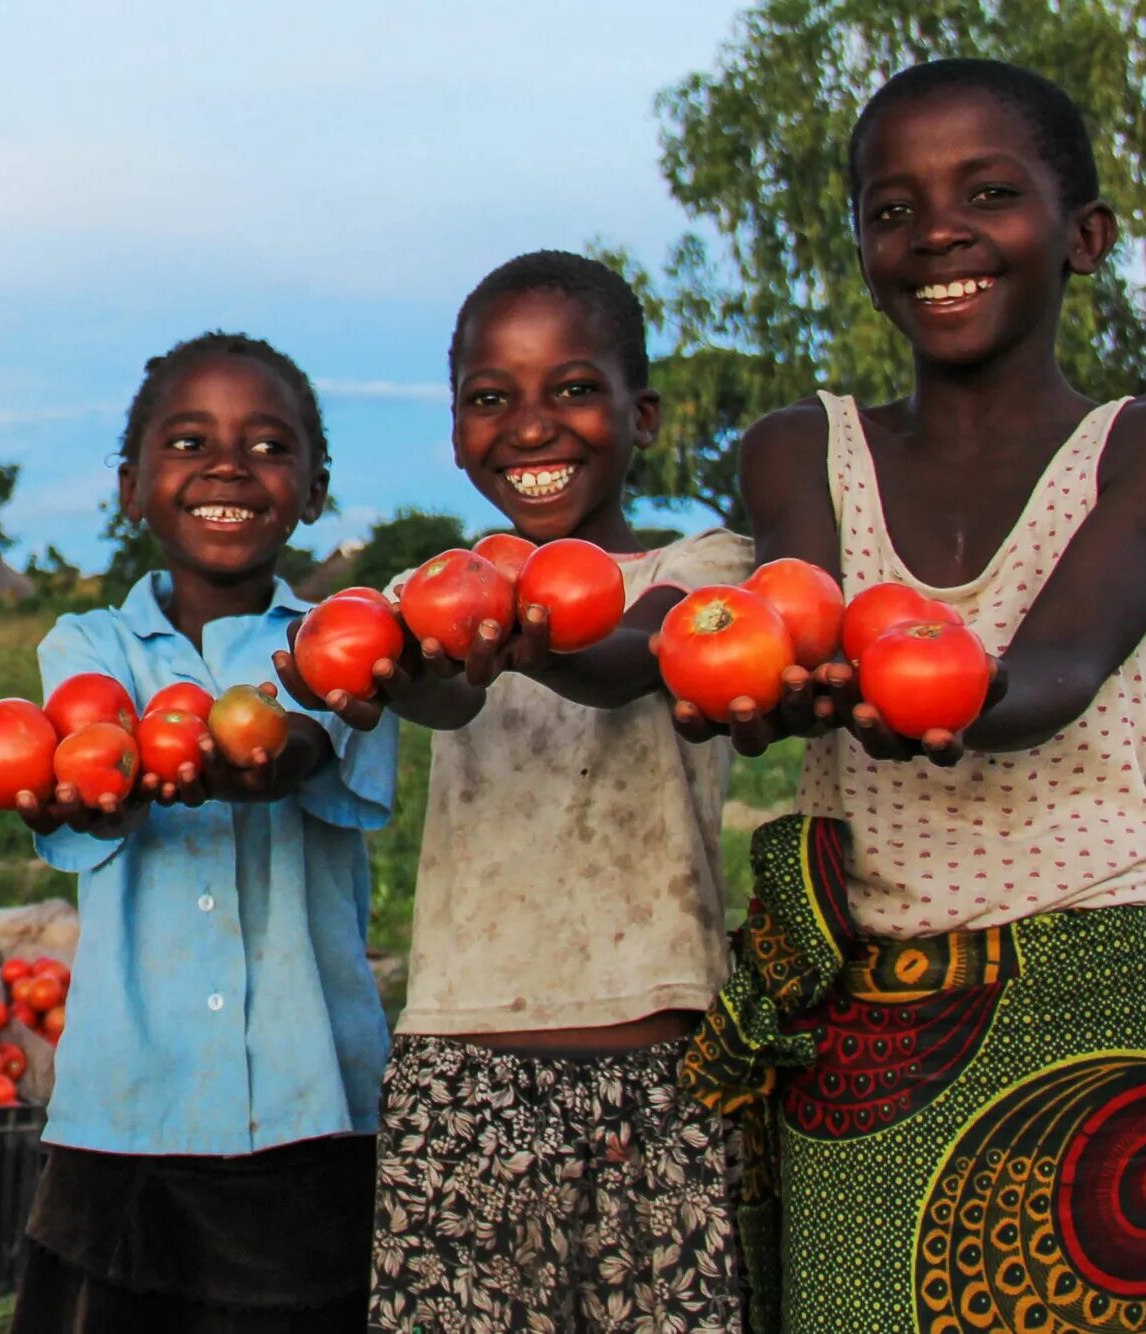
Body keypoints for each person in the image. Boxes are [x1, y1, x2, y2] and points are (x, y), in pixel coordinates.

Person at [674, 58, 1146, 1333]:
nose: (937, 231)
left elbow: (1055, 669)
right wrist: (763, 683)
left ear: (1085, 234)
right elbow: (786, 630)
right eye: (893, 208)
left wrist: (905, 684)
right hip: (858, 1013)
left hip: (1074, 985)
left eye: (989, 191)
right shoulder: (796, 448)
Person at [276, 251, 753, 1333]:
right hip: (461, 1071)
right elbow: (439, 700)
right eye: (492, 399)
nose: (532, 425)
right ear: (455, 431)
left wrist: (513, 642)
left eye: (573, 389)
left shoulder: (710, 566)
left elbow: (639, 656)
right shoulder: (428, 591)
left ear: (645, 413)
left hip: (663, 1071)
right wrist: (394, 663)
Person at [9, 331, 396, 1334]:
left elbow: (316, 742)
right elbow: (93, 763)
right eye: (188, 443)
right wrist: (88, 781)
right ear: (132, 488)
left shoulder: (352, 637)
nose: (228, 464)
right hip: (126, 1109)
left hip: (314, 1108)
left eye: (269, 446)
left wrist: (269, 744)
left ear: (314, 489)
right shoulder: (86, 645)